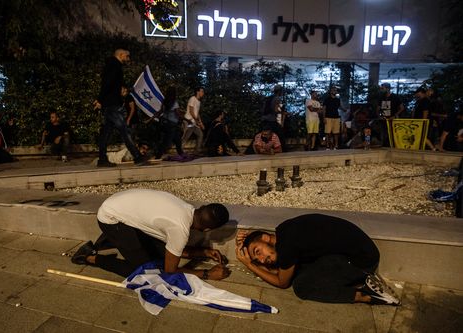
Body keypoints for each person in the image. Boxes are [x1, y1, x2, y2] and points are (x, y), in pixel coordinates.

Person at [236, 214, 400, 305]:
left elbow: (282, 282)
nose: (262, 260)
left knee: (301, 286)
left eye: (257, 252)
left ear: (265, 238)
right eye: (258, 259)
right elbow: (283, 268)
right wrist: (249, 242)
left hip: (361, 261)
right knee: (300, 271)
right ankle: (362, 281)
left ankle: (364, 293)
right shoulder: (284, 230)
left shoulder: (287, 247)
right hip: (360, 251)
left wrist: (249, 264)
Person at [71, 189, 231, 280]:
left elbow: (175, 250)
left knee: (161, 255)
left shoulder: (186, 209)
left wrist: (204, 252)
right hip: (111, 219)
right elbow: (170, 271)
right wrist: (207, 274)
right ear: (208, 230)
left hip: (117, 206)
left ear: (202, 207)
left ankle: (111, 241)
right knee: (148, 272)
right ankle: (87, 256)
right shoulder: (180, 228)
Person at [94, 49, 145, 167]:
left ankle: (102, 159)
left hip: (109, 104)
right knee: (124, 130)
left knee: (106, 133)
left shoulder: (112, 65)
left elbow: (110, 84)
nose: (128, 59)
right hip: (112, 104)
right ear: (120, 55)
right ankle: (137, 156)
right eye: (127, 56)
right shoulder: (114, 66)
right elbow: (107, 84)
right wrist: (100, 99)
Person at [150, 86, 185, 159]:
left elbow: (160, 111)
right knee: (167, 142)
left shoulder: (165, 101)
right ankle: (158, 155)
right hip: (172, 124)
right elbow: (177, 113)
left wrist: (152, 117)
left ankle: (181, 153)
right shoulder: (174, 102)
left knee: (177, 139)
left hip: (165, 123)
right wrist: (185, 118)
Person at [261, 85, 286, 151]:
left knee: (264, 135)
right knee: (279, 134)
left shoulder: (269, 98)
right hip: (271, 119)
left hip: (264, 119)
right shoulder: (277, 98)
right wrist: (283, 112)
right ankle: (282, 149)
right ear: (279, 91)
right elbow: (276, 110)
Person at [182, 87, 205, 155]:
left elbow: (197, 113)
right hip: (189, 121)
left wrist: (201, 123)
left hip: (193, 122)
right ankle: (180, 150)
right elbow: (191, 111)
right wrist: (197, 121)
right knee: (186, 136)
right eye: (202, 91)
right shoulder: (192, 99)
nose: (203, 93)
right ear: (197, 92)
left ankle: (197, 151)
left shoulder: (198, 101)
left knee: (200, 134)